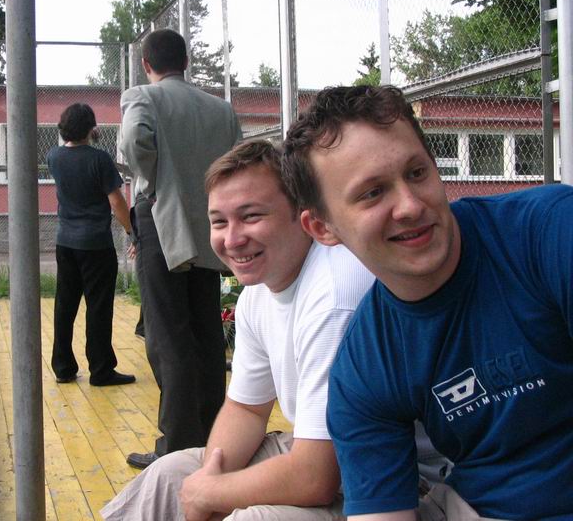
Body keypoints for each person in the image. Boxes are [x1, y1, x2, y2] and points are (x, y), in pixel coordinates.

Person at [281, 85, 573, 520]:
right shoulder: (365, 364)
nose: (410, 206)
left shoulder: (549, 231)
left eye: (417, 173)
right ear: (323, 228)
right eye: (373, 193)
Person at [101, 139, 376, 520]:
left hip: (385, 481)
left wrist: (213, 495)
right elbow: (246, 409)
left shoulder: (334, 293)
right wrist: (210, 480)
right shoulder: (259, 293)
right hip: (317, 455)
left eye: (251, 216)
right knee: (169, 475)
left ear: (303, 214)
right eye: (219, 222)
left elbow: (317, 477)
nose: (232, 239)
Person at [119, 28, 242, 469]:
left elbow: (134, 142)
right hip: (209, 223)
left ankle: (176, 447)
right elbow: (237, 160)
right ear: (186, 62)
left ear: (146, 65)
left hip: (161, 219)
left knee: (167, 334)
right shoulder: (220, 109)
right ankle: (212, 438)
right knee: (206, 333)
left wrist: (153, 180)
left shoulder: (143, 97)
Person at [46, 103, 136, 387]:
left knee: (65, 304)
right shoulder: (99, 159)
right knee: (98, 307)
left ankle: (63, 367)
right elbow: (116, 201)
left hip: (65, 242)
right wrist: (131, 231)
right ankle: (101, 369)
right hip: (96, 244)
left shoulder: (53, 156)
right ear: (91, 128)